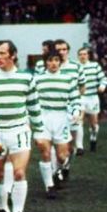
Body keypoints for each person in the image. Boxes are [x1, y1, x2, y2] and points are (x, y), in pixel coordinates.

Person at [0, 40, 44, 212]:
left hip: (19, 130)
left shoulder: (26, 78)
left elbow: (34, 106)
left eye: (2, 53)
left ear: (13, 55)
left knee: (19, 173)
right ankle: (4, 210)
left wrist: (40, 131)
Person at [34, 49, 81, 199]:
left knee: (62, 156)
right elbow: (31, 100)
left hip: (61, 118)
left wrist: (76, 112)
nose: (53, 63)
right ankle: (49, 186)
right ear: (45, 62)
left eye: (56, 60)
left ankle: (58, 170)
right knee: (45, 151)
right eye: (50, 60)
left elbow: (75, 99)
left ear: (60, 62)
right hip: (43, 118)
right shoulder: (37, 79)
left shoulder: (68, 79)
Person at [55, 39, 86, 168]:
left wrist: (77, 103)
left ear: (68, 51)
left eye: (64, 49)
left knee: (70, 144)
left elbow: (82, 87)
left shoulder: (76, 66)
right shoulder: (48, 66)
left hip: (72, 107)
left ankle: (66, 167)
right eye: (59, 50)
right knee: (57, 143)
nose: (62, 52)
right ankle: (58, 170)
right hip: (56, 108)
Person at [77, 47, 107, 152]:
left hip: (92, 97)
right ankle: (79, 146)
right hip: (80, 98)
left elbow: (103, 78)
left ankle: (93, 138)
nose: (82, 56)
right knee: (79, 121)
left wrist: (102, 86)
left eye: (84, 54)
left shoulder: (95, 66)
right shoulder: (76, 67)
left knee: (94, 124)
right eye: (80, 54)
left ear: (88, 55)